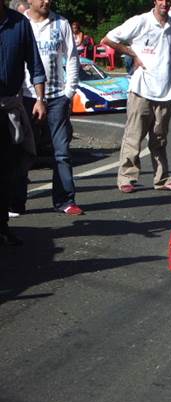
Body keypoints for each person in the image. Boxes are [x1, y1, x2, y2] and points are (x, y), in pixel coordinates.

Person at [101, 0, 171, 193]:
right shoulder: (140, 21)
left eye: (169, 1)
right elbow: (108, 40)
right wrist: (132, 54)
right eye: (162, 0)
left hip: (165, 91)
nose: (165, 3)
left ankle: (162, 178)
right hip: (141, 89)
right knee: (134, 135)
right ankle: (126, 177)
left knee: (160, 139)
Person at [16, 0, 82, 216]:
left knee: (61, 153)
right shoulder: (20, 23)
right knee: (23, 153)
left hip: (56, 98)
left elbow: (72, 57)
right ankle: (16, 203)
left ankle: (65, 200)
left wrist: (68, 93)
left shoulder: (61, 23)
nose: (46, 1)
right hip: (26, 97)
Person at [0, 1, 46, 244]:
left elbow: (35, 64)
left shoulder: (19, 24)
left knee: (8, 169)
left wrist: (40, 99)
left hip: (9, 107)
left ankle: (3, 225)